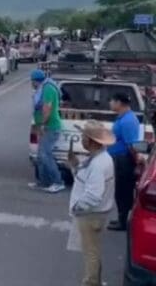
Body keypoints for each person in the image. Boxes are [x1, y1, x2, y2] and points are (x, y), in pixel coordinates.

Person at [68, 120, 115, 286]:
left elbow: (93, 195)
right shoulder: (99, 158)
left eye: (84, 137)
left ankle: (91, 283)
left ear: (92, 142)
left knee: (90, 254)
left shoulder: (97, 164)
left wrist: (77, 207)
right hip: (96, 213)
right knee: (93, 251)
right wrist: (75, 166)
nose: (81, 139)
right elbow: (86, 181)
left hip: (90, 215)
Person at [107, 92, 140, 231]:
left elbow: (131, 146)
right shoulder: (122, 118)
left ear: (119, 103)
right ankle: (121, 218)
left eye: (112, 101)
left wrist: (137, 161)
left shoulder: (128, 121)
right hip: (118, 158)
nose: (110, 104)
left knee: (123, 191)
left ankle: (123, 221)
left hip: (124, 160)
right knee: (119, 190)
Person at [29, 69, 65, 193]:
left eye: (32, 81)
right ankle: (43, 182)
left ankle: (58, 182)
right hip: (44, 126)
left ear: (36, 80)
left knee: (46, 155)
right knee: (40, 156)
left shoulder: (48, 89)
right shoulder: (43, 88)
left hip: (50, 126)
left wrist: (43, 124)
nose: (31, 83)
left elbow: (47, 108)